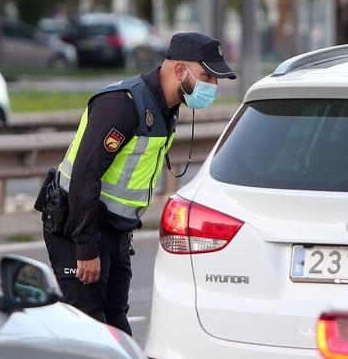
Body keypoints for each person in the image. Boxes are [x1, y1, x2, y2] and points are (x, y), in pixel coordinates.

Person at [38, 32, 235, 335]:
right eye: (207, 75)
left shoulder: (166, 108)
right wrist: (86, 250)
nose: (213, 85)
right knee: (90, 330)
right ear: (180, 70)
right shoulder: (121, 105)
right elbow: (84, 177)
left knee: (116, 325)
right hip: (79, 227)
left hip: (116, 231)